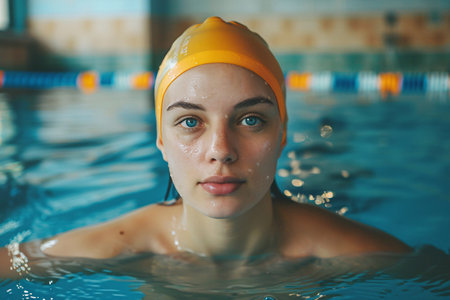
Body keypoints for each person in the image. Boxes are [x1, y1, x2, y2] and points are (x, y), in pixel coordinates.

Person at [1, 17, 410, 275]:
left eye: (251, 120)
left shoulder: (352, 254)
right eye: (190, 121)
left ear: (282, 134)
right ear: (161, 141)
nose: (220, 150)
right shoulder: (124, 244)